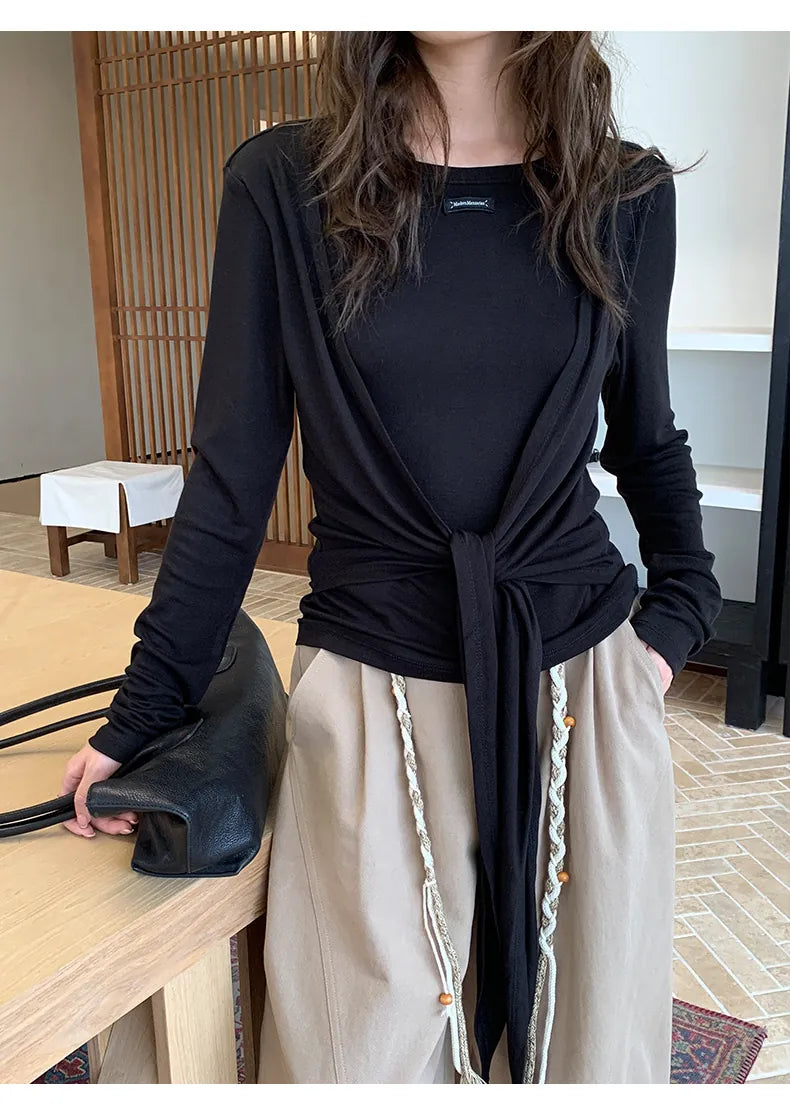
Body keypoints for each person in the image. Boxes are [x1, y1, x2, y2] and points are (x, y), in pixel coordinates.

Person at [60, 31, 723, 1083]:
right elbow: (230, 479)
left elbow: (647, 437)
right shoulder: (284, 184)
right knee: (356, 1055)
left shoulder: (624, 192)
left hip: (579, 702)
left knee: (589, 1053)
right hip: (373, 701)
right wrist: (143, 714)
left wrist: (675, 618)